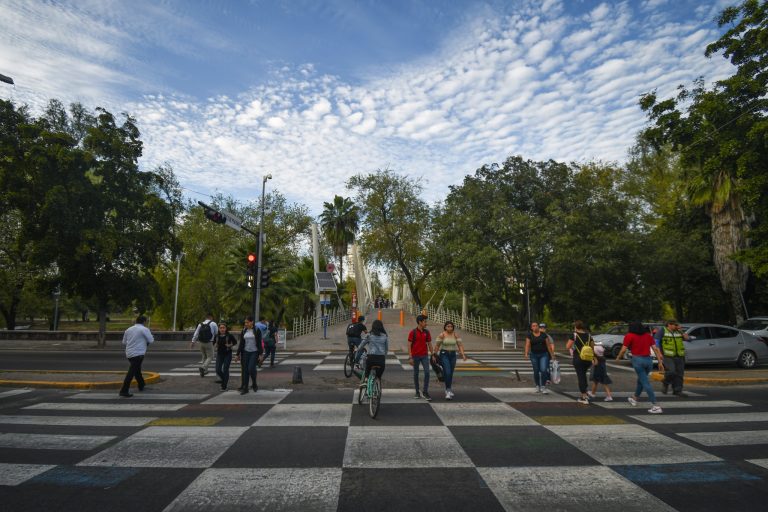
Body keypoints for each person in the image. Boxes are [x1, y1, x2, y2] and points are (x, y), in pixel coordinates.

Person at [617, 321, 665, 414]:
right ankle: (634, 398)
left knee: (645, 382)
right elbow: (655, 349)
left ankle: (656, 405)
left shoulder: (629, 335)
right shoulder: (648, 336)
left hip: (637, 360)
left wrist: (618, 357)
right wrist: (660, 362)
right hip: (648, 360)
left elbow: (623, 350)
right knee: (641, 380)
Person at [119, 315, 154, 397]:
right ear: (144, 321)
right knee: (131, 372)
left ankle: (141, 385)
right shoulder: (144, 329)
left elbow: (124, 342)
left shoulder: (128, 329)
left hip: (129, 353)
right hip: (138, 353)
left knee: (137, 370)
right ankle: (124, 390)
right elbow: (151, 340)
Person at [434, 321, 467, 400]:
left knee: (450, 373)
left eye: (451, 326)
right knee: (447, 372)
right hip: (444, 354)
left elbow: (460, 345)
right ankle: (448, 391)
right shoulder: (442, 335)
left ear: (453, 327)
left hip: (452, 355)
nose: (449, 328)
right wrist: (434, 355)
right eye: (448, 326)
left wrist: (463, 354)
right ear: (445, 327)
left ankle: (448, 388)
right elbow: (437, 346)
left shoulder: (455, 335)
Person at [655, 319, 689, 396]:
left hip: (680, 355)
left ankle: (677, 390)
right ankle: (665, 382)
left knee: (679, 374)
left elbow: (687, 338)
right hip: (667, 355)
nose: (677, 326)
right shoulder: (662, 331)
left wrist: (681, 331)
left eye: (677, 325)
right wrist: (659, 353)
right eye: (675, 325)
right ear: (669, 325)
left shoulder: (678, 332)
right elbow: (656, 342)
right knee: (671, 371)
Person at [566, 320, 594, 405]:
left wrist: (575, 346)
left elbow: (568, 346)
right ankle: (585, 392)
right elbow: (592, 347)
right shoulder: (589, 335)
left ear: (576, 327)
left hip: (578, 358)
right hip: (588, 359)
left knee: (581, 376)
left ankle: (584, 396)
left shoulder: (574, 335)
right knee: (583, 375)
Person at [524, 322, 555, 394]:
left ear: (538, 327)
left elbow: (548, 346)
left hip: (544, 354)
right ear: (531, 328)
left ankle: (543, 386)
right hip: (534, 355)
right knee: (536, 370)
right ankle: (537, 386)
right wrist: (526, 353)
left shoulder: (544, 335)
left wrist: (552, 355)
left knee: (544, 370)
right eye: (533, 326)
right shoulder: (529, 335)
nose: (535, 327)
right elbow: (527, 345)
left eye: (536, 326)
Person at [408, 314, 434, 401]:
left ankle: (425, 391)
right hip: (415, 356)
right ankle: (417, 391)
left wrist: (433, 354)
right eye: (425, 322)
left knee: (427, 373)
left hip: (424, 355)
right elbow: (409, 344)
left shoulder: (427, 332)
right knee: (416, 373)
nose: (426, 323)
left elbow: (429, 344)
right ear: (420, 322)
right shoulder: (413, 332)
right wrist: (410, 357)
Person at [235, 316, 263, 394]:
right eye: (245, 322)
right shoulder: (244, 330)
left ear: (252, 322)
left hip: (254, 352)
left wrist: (260, 354)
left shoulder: (257, 330)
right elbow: (241, 343)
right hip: (245, 352)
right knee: (245, 371)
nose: (246, 324)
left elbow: (259, 343)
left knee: (251, 368)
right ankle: (245, 388)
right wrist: (237, 354)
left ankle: (254, 382)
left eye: (247, 322)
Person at [190, 313, 217, 377]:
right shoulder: (213, 323)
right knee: (210, 356)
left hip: (201, 342)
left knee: (204, 356)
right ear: (211, 317)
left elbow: (196, 333)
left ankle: (204, 371)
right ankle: (203, 367)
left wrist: (193, 342)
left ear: (206, 317)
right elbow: (216, 333)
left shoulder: (200, 324)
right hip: (209, 342)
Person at [214, 322, 237, 391]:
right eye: (220, 328)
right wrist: (215, 345)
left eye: (223, 328)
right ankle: (224, 379)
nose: (222, 329)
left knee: (225, 369)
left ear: (226, 328)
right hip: (220, 354)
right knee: (218, 369)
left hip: (227, 354)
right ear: (218, 329)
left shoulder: (229, 335)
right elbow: (214, 343)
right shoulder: (216, 336)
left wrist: (230, 345)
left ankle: (224, 386)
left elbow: (235, 342)